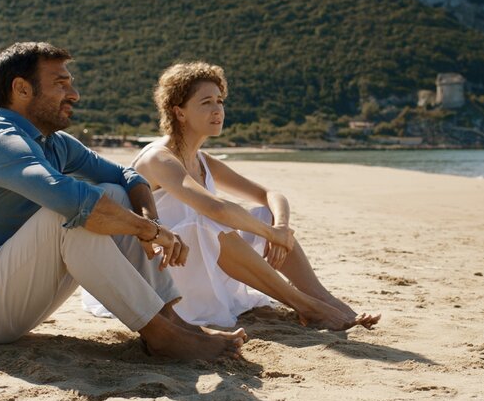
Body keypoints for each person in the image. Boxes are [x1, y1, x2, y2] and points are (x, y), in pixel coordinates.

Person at [0, 43, 244, 361]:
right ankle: (160, 336)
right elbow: (77, 205)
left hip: (7, 296)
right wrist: (148, 231)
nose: (74, 93)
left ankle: (172, 322)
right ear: (21, 89)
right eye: (61, 84)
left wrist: (153, 224)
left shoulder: (54, 143)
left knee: (112, 194)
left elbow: (129, 178)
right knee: (68, 217)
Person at [84, 62, 379, 331]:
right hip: (161, 269)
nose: (217, 110)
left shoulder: (202, 160)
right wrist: (271, 234)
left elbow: (269, 194)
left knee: (265, 213)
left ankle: (328, 301)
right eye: (206, 102)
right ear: (179, 111)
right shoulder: (158, 158)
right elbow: (213, 207)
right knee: (205, 222)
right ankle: (306, 306)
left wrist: (281, 228)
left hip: (199, 263)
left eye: (220, 101)